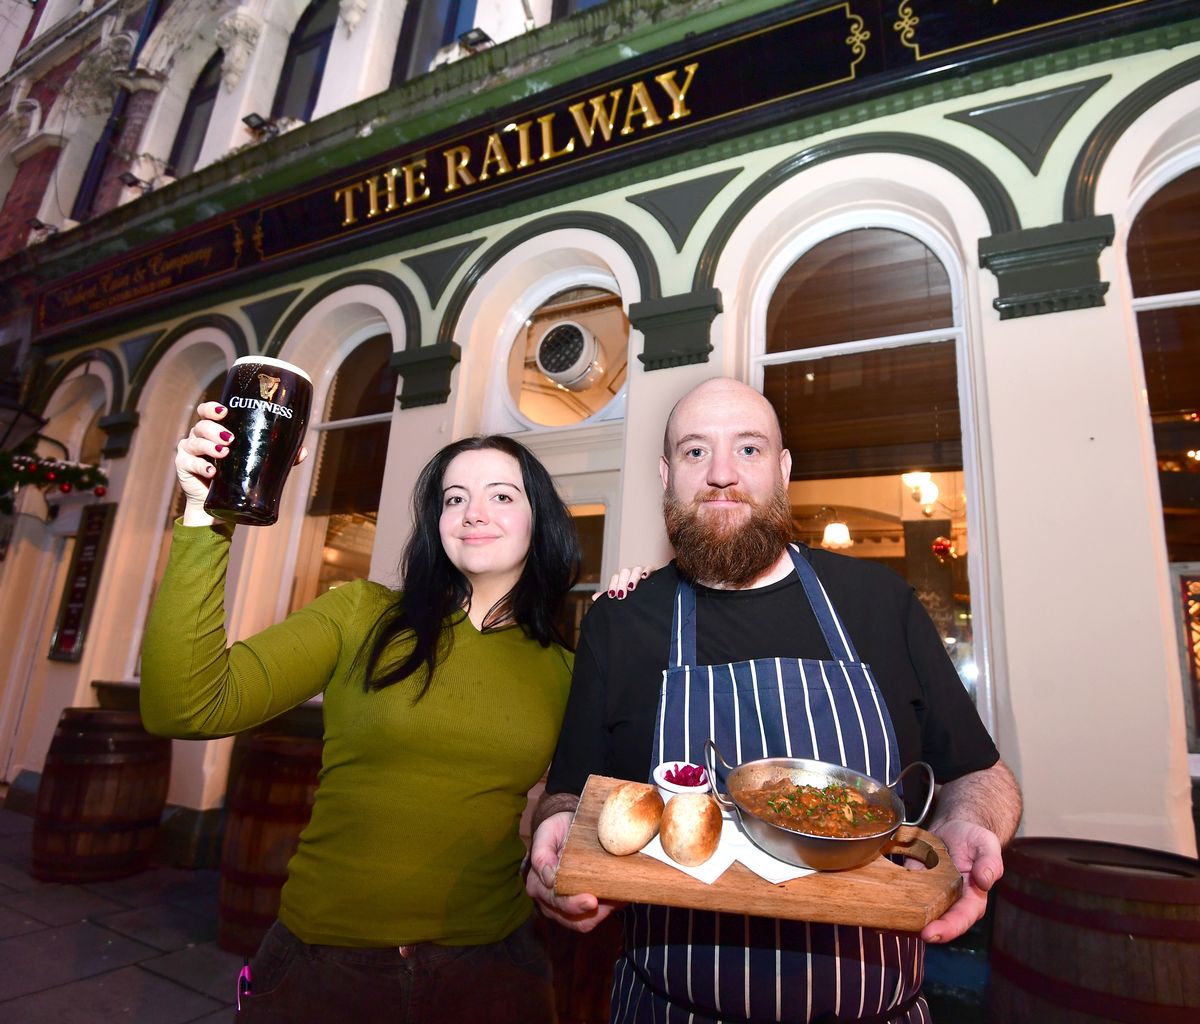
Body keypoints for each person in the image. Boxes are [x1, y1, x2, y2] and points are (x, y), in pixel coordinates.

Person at [526, 377, 1023, 1024]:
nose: (722, 474)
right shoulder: (620, 623)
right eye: (696, 452)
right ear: (666, 472)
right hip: (667, 1008)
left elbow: (976, 774)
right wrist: (552, 838)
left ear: (784, 469)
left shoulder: (877, 602)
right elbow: (570, 793)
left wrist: (972, 823)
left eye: (750, 450)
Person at [141, 402, 582, 1023]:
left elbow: (565, 800)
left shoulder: (564, 669)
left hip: (493, 970)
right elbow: (183, 706)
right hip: (324, 967)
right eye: (453, 499)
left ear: (542, 522)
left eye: (502, 496)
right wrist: (203, 519)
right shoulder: (362, 614)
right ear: (436, 523)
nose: (474, 512)